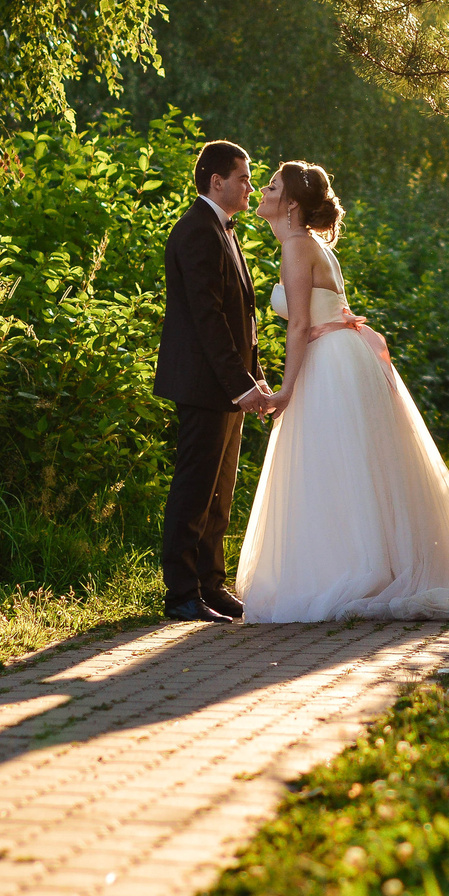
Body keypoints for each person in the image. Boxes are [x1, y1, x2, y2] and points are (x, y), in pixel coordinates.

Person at [237, 160, 449, 622]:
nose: (263, 190)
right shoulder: (310, 245)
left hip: (329, 360)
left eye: (272, 185)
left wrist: (284, 390)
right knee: (349, 464)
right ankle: (363, 564)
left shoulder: (298, 248)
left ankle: (351, 571)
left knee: (330, 463)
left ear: (291, 204)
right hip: (343, 356)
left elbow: (301, 323)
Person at [152, 140, 275, 623]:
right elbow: (207, 319)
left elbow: (240, 315)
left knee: (220, 492)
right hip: (204, 384)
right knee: (194, 489)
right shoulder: (196, 230)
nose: (250, 186)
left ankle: (210, 584)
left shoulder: (223, 229)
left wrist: (255, 378)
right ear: (216, 181)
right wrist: (239, 384)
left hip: (227, 383)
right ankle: (180, 592)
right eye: (243, 178)